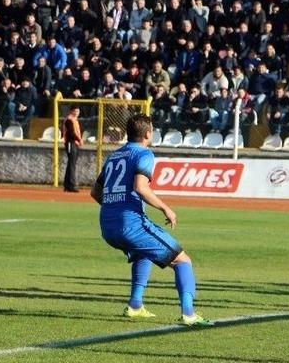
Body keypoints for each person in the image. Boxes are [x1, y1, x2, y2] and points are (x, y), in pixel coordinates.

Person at [90, 115, 212, 326]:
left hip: (107, 226)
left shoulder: (114, 156)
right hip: (131, 225)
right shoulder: (144, 154)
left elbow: (95, 192)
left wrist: (115, 207)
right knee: (183, 260)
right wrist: (166, 208)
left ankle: (135, 306)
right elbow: (141, 187)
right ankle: (189, 314)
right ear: (147, 134)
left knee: (142, 254)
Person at [62, 105, 83, 192]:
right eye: (75, 111)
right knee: (71, 164)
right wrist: (79, 139)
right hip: (71, 143)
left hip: (75, 143)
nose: (77, 113)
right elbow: (71, 133)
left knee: (71, 163)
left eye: (78, 111)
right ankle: (71, 184)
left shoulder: (74, 120)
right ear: (71, 111)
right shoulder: (69, 120)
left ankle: (67, 184)